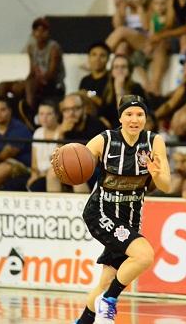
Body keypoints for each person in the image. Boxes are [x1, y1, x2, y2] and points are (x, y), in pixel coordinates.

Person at [66, 94, 171, 324]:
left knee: (105, 281)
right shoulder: (105, 139)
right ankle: (110, 300)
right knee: (144, 255)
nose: (135, 119)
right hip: (101, 212)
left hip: (130, 219)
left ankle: (83, 321)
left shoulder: (154, 142)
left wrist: (155, 173)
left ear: (146, 117)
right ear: (120, 117)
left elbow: (166, 185)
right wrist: (66, 162)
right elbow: (79, 158)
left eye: (140, 114)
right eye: (129, 114)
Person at [0, 17, 65, 128]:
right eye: (37, 30)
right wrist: (21, 83)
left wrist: (27, 83)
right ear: (33, 32)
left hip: (53, 84)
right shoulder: (31, 47)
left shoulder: (54, 48)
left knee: (29, 84)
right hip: (36, 82)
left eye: (43, 30)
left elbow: (51, 75)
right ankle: (5, 112)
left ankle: (30, 114)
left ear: (48, 33)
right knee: (3, 85)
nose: (40, 33)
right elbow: (31, 71)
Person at [146, 0, 186, 95]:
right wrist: (156, 38)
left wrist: (162, 35)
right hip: (179, 36)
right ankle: (155, 85)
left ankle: (183, 82)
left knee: (183, 39)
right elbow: (169, 24)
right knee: (161, 44)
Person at [99, 55, 146, 129]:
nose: (119, 70)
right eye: (116, 67)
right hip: (110, 129)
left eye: (123, 67)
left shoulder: (136, 88)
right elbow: (102, 113)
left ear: (129, 70)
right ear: (112, 71)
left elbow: (125, 115)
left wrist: (119, 90)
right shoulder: (106, 88)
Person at [27, 102, 60, 192]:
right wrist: (33, 176)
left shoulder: (61, 133)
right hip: (39, 175)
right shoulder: (37, 133)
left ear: (57, 115)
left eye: (49, 114)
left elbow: (58, 162)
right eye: (41, 114)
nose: (44, 118)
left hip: (55, 175)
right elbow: (34, 162)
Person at [78, 42, 112, 112]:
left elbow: (111, 106)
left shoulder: (112, 80)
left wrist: (88, 94)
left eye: (102, 55)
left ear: (108, 59)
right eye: (94, 55)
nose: (97, 59)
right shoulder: (85, 80)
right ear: (89, 57)